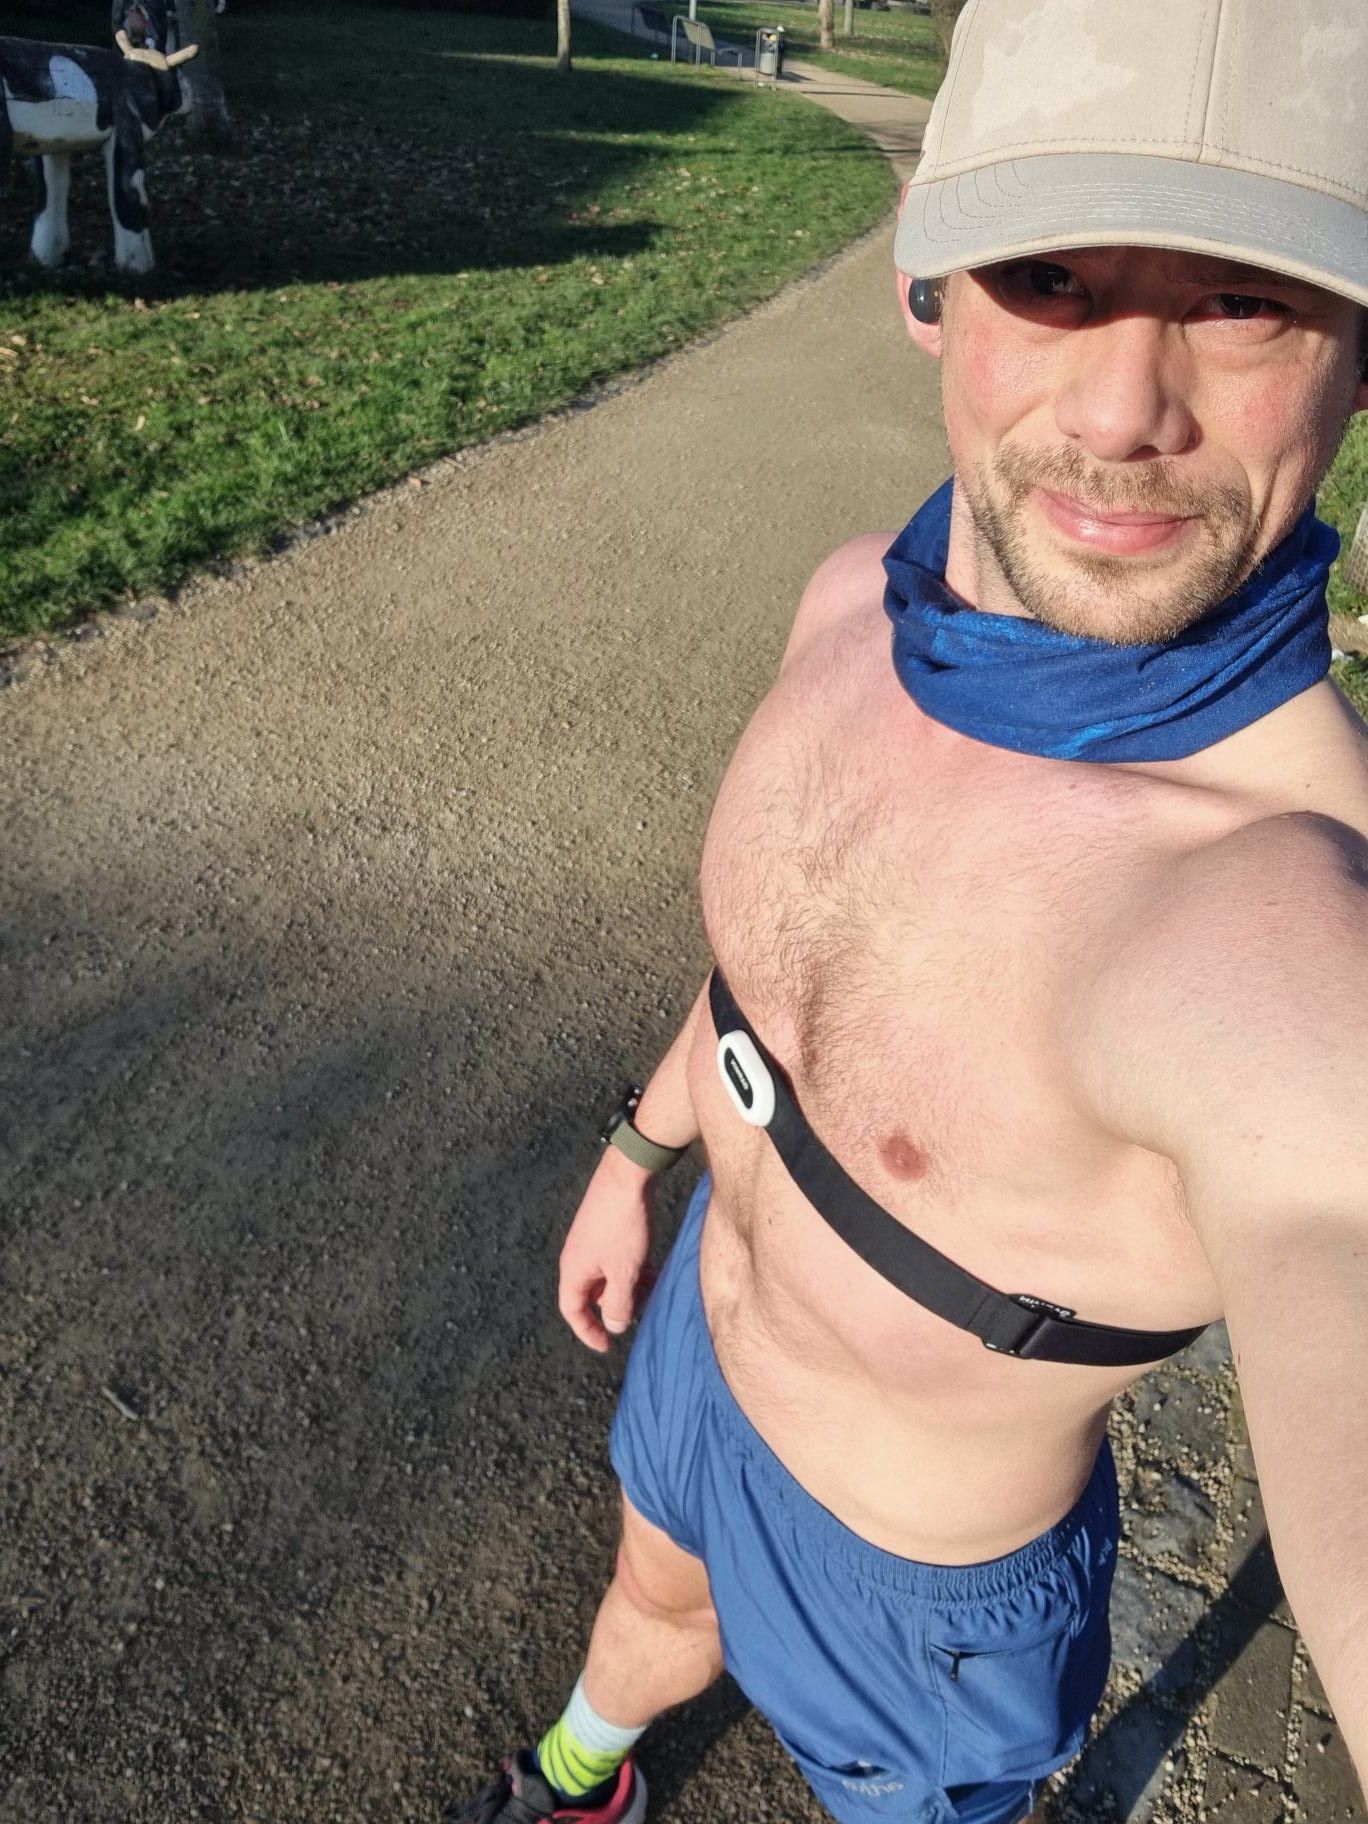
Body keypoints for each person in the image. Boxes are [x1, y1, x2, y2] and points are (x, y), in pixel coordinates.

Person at [447, 2, 1368, 1820]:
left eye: (1242, 300)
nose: (1122, 411)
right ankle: (583, 1777)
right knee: (650, 1599)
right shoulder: (851, 608)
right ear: (925, 282)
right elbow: (772, 972)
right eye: (1051, 275)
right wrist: (639, 1153)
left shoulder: (1284, 924)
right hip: (706, 1349)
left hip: (919, 1591)